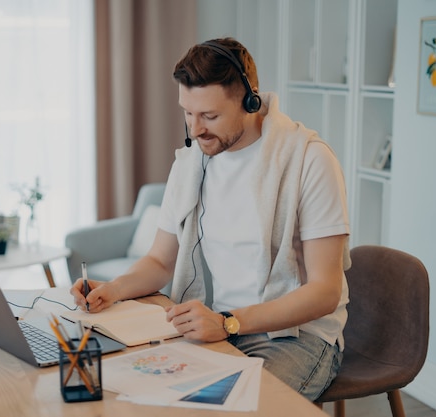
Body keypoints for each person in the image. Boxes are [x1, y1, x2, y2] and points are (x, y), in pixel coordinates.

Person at [70, 37, 350, 401]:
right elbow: (159, 261)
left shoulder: (309, 161)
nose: (195, 129)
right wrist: (115, 289)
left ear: (250, 102)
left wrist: (229, 322)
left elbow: (325, 291)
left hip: (296, 338)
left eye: (210, 116)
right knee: (137, 394)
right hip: (222, 326)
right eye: (187, 113)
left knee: (228, 407)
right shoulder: (189, 164)